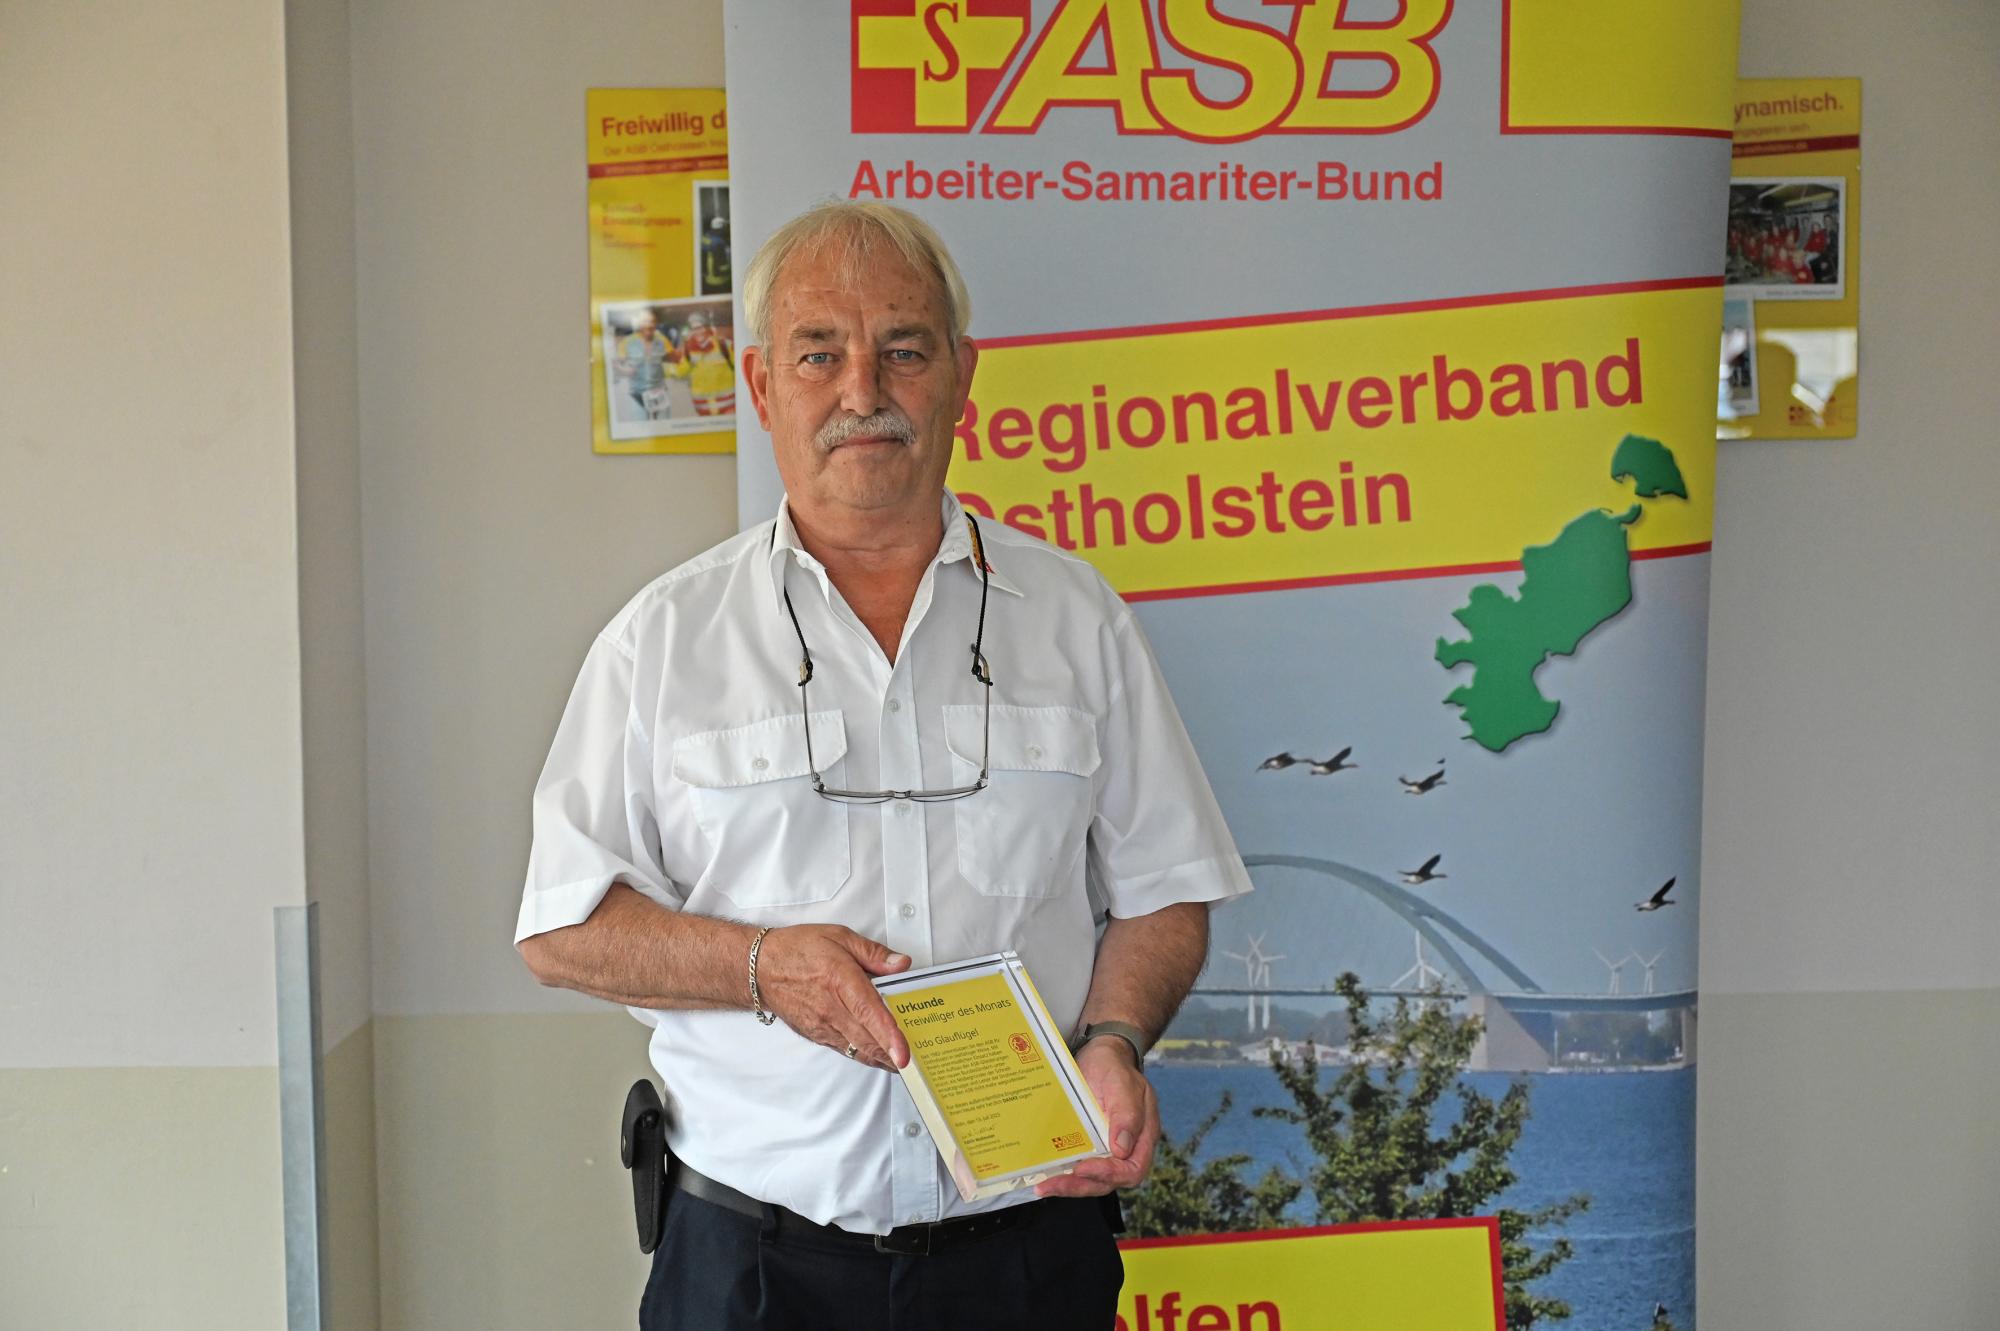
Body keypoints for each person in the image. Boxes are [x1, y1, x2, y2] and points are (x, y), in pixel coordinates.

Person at [516, 200, 1250, 1331]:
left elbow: (1167, 890)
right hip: (752, 1270)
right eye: (819, 354)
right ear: (763, 387)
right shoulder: (662, 641)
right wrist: (761, 965)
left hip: (1025, 1263)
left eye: (903, 349)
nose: (863, 389)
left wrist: (1113, 1040)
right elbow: (564, 928)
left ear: (961, 375)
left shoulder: (1076, 617)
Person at [614, 307, 674, 419]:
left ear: (656, 323)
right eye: (645, 321)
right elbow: (616, 364)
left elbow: (673, 358)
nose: (649, 325)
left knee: (664, 426)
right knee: (641, 426)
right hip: (637, 394)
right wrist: (625, 371)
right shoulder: (627, 342)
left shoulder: (662, 340)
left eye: (652, 321)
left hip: (659, 392)